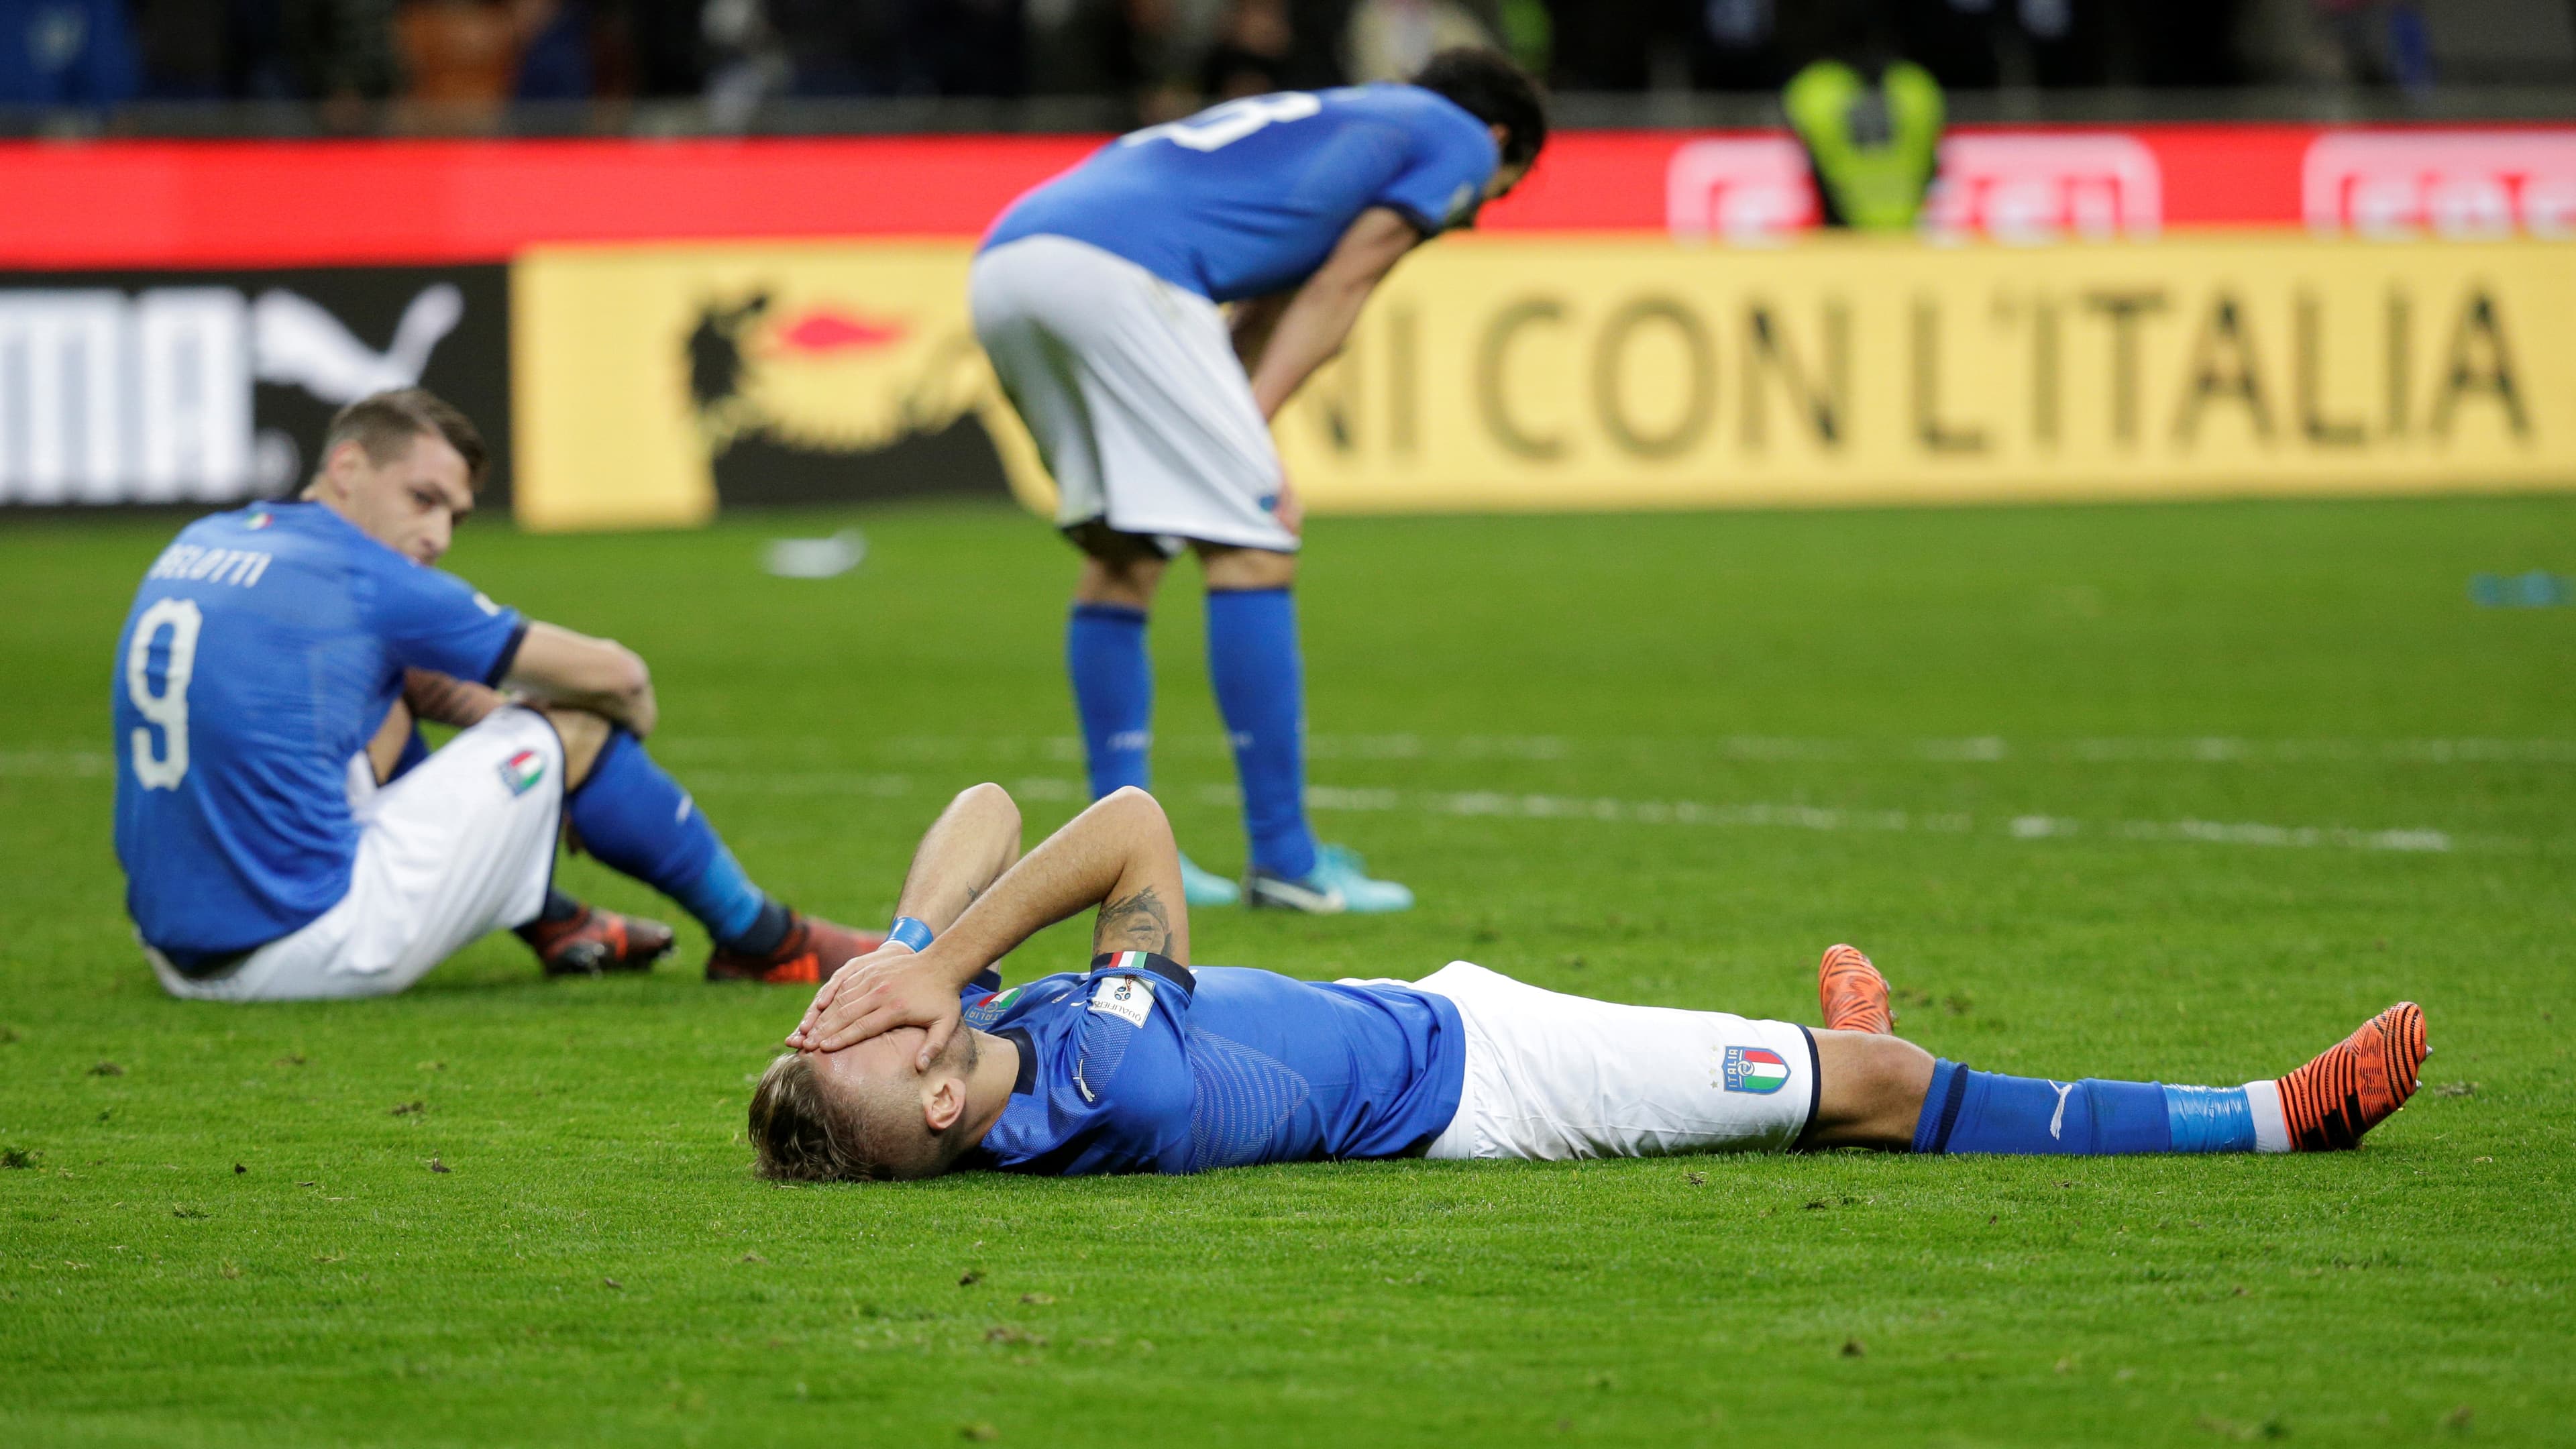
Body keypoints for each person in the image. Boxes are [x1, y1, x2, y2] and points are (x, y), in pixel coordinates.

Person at [750, 785, 2429, 1181]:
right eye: (882, 1045)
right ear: (944, 1100)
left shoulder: (993, 1055)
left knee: (1833, 1071)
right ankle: (2273, 1118)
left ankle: (1822, 1055)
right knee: (1885, 1092)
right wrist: (938, 961)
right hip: (1493, 1086)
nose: (887, 1020)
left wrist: (900, 955)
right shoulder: (1108, 1081)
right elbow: (1127, 827)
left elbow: (985, 805)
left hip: (1436, 1012)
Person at [970, 46, 1549, 914]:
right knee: (1256, 541)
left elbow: (1272, 300)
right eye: (1500, 191)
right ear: (1500, 138)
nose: (1473, 215)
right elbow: (1341, 288)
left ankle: (1109, 853)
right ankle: (1286, 859)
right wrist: (1254, 447)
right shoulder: (1457, 137)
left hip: (1010, 262)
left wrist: (1239, 431)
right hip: (1122, 274)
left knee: (1126, 551)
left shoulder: (1345, 120)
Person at [112, 388, 882, 1002]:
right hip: (302, 945)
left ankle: (556, 920)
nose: (439, 536)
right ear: (347, 468)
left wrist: (516, 750)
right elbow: (621, 677)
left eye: (454, 515)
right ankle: (763, 940)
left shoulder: (206, 539)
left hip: (174, 956)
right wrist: (590, 747)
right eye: (422, 498)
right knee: (576, 728)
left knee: (394, 687)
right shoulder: (365, 575)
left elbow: (401, 677)